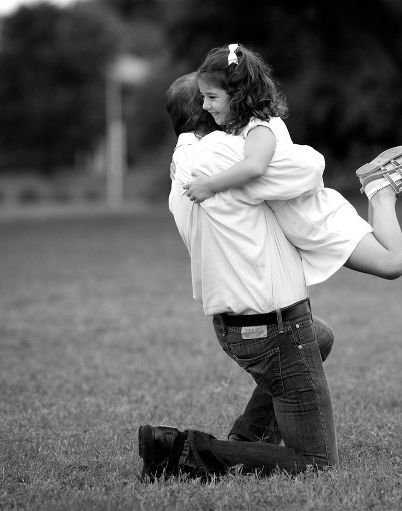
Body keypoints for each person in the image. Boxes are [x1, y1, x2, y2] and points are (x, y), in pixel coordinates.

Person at [137, 73, 340, 482]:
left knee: (320, 337)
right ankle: (181, 450)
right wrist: (264, 133)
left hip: (240, 322)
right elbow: (309, 166)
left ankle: (246, 437)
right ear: (207, 112)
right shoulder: (220, 157)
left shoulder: (184, 162)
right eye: (215, 98)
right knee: (317, 462)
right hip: (273, 326)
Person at [183, 43, 402, 286]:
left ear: (238, 95)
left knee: (392, 263)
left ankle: (381, 193)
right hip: (308, 215)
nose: (205, 105)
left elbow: (254, 167)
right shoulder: (252, 125)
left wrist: (210, 186)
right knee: (385, 254)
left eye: (212, 97)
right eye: (204, 97)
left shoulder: (259, 129)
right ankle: (377, 188)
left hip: (313, 221)